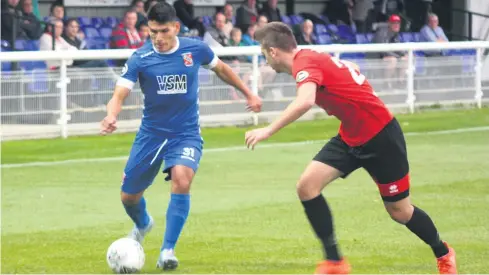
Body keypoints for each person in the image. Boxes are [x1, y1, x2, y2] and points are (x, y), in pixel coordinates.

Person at [244, 22, 457, 275]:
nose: (264, 58)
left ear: (273, 51)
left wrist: (268, 130)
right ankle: (335, 262)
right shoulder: (311, 57)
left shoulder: (305, 63)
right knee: (307, 187)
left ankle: (443, 252)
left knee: (400, 211)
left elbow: (305, 101)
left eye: (263, 52)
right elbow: (351, 67)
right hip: (350, 137)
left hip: (382, 138)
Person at [100, 2, 262, 271]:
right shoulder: (140, 57)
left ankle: (167, 250)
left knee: (182, 178)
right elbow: (119, 93)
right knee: (128, 197)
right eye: (152, 32)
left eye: (163, 31)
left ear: (176, 27)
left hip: (185, 133)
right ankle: (143, 224)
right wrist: (111, 115)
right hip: (151, 135)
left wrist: (249, 93)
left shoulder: (195, 49)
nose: (158, 38)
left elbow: (221, 68)